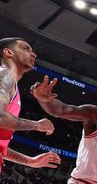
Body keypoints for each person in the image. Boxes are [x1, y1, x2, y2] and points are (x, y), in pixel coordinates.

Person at [0, 37, 60, 173]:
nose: (33, 54)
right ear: (9, 53)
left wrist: (30, 161)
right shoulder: (4, 75)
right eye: (26, 49)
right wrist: (37, 125)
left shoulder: (11, 83)